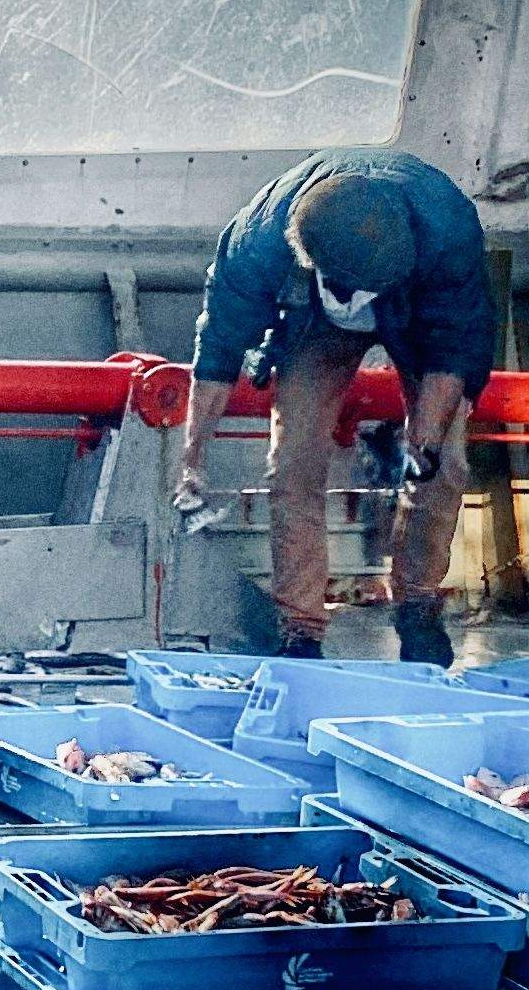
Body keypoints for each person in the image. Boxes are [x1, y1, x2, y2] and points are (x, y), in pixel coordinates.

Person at [176, 150, 494, 665]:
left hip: (416, 311)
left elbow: (457, 345)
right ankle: (300, 629)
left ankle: (417, 607)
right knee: (294, 463)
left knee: (445, 466)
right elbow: (218, 350)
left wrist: (426, 445)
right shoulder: (258, 240)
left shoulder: (448, 232)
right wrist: (192, 459)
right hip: (313, 317)